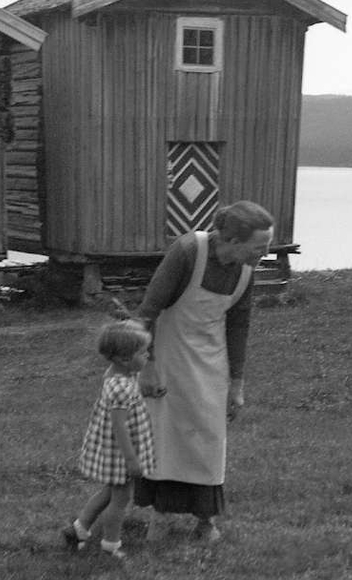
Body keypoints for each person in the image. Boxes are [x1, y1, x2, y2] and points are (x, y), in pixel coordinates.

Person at [132, 200, 274, 543]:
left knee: (210, 438)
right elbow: (147, 312)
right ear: (233, 240)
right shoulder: (187, 251)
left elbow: (239, 325)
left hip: (212, 360)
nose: (264, 254)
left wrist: (236, 384)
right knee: (166, 436)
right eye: (260, 247)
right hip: (167, 356)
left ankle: (205, 519)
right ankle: (161, 517)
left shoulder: (244, 271)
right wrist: (146, 366)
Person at [62, 319, 158, 559]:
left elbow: (129, 398)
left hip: (113, 452)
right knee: (120, 500)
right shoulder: (121, 387)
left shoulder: (118, 375)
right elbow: (119, 426)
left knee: (109, 492)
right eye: (143, 352)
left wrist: (147, 391)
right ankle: (110, 545)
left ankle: (79, 529)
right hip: (120, 454)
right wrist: (132, 460)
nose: (147, 356)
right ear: (125, 359)